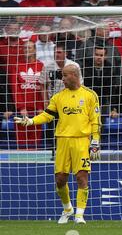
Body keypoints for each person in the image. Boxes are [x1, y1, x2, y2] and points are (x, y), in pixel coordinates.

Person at [14, 64, 101, 225]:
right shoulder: (58, 96)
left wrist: (95, 141)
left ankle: (80, 215)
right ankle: (68, 210)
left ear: (74, 75)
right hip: (62, 141)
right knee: (60, 179)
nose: (62, 79)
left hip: (81, 141)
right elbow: (48, 115)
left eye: (65, 75)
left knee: (82, 177)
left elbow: (95, 121)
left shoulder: (90, 95)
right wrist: (31, 121)